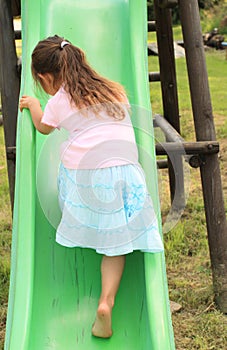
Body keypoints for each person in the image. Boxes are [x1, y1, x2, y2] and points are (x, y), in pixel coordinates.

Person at [19, 35, 164, 339]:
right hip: (124, 175)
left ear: (46, 77)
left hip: (85, 181)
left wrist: (34, 105)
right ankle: (106, 301)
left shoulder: (58, 101)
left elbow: (44, 127)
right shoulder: (115, 89)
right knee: (116, 245)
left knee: (69, 165)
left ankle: (87, 223)